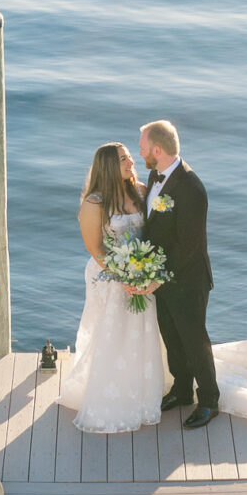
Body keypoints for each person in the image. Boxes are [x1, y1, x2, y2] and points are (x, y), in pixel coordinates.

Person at [55, 142, 166, 433]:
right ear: (107, 166)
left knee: (142, 330)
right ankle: (109, 394)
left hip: (141, 273)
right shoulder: (95, 203)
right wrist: (124, 275)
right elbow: (95, 248)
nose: (131, 161)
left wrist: (143, 273)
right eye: (123, 159)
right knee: (111, 331)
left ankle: (142, 391)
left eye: (129, 156)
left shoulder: (140, 191)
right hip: (108, 275)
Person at [138, 120, 217, 429]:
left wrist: (159, 277)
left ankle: (209, 400)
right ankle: (182, 390)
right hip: (162, 278)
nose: (140, 153)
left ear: (157, 150)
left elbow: (188, 245)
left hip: (188, 280)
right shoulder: (154, 175)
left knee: (195, 341)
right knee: (172, 338)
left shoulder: (191, 188)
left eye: (143, 148)